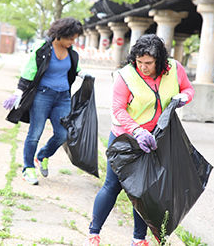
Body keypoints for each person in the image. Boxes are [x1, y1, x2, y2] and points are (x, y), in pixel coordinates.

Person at [83, 34, 194, 246]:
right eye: (139, 62)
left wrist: (183, 97)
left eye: (149, 63)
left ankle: (138, 239)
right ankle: (93, 233)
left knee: (144, 192)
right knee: (112, 186)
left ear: (160, 60)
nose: (143, 67)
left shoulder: (175, 69)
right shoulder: (126, 75)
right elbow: (117, 109)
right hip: (126, 139)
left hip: (156, 140)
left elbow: (188, 89)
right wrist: (137, 131)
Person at [3, 17, 93, 185]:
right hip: (43, 96)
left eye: (75, 38)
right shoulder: (42, 48)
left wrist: (83, 74)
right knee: (35, 133)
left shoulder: (72, 52)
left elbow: (74, 68)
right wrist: (18, 92)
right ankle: (28, 168)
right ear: (60, 34)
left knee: (62, 134)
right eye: (71, 38)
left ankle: (43, 155)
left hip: (63, 97)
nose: (73, 42)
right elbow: (29, 70)